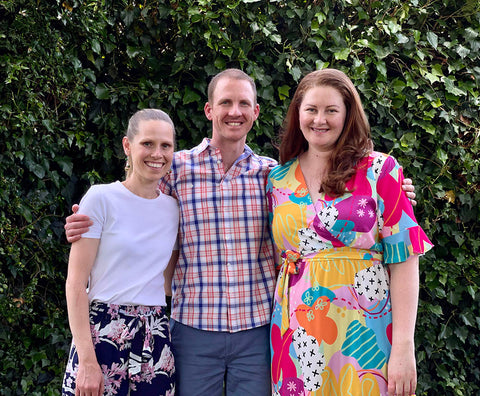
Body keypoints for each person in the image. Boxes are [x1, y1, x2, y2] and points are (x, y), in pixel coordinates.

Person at [64, 69, 418, 396]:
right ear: (208, 110)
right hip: (193, 330)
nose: (235, 111)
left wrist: (396, 191)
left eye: (244, 103)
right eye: (226, 103)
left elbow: (332, 215)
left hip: (259, 330)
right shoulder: (178, 169)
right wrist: (87, 217)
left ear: (256, 112)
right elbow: (137, 199)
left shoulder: (271, 176)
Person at [267, 68, 433, 396]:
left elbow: (405, 260)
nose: (320, 119)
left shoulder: (380, 170)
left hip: (367, 331)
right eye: (311, 109)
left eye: (331, 110)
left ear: (347, 115)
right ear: (297, 113)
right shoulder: (278, 179)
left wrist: (403, 346)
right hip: (297, 332)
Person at [62, 109, 178, 396]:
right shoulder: (101, 198)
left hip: (154, 337)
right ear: (128, 146)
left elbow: (168, 282)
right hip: (102, 333)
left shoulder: (173, 210)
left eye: (166, 145)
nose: (157, 154)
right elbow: (76, 284)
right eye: (147, 144)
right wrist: (87, 360)